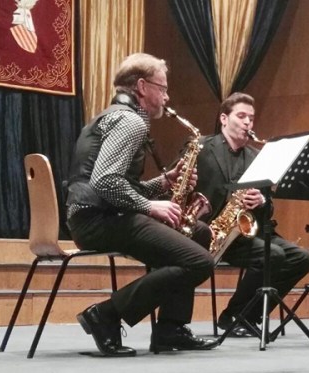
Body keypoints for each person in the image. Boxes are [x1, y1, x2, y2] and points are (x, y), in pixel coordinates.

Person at [65, 53, 219, 356]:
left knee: (198, 233)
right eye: (162, 88)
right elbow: (106, 181)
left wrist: (163, 183)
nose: (166, 96)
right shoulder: (130, 121)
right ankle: (106, 314)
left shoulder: (109, 115)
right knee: (200, 261)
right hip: (99, 220)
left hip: (94, 215)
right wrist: (150, 206)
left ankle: (170, 329)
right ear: (141, 86)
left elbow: (117, 184)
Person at [195, 92, 309, 337]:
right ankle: (234, 317)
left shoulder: (257, 157)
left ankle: (247, 314)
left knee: (302, 258)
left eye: (251, 117)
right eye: (241, 116)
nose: (248, 122)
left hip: (248, 231)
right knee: (272, 254)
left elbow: (268, 208)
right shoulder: (202, 148)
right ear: (224, 119)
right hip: (211, 231)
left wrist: (261, 200)